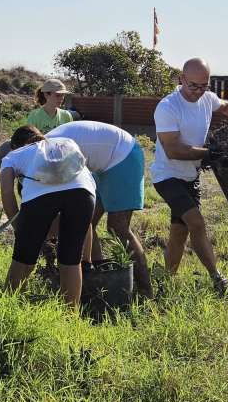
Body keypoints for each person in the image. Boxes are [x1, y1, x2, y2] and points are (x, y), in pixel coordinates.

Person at [152, 58, 228, 295]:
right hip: (168, 176)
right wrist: (216, 154)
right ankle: (218, 281)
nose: (198, 92)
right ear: (181, 79)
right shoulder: (168, 107)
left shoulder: (207, 98)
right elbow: (174, 150)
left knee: (180, 231)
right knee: (196, 223)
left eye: (204, 86)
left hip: (190, 176)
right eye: (193, 86)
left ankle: (165, 282)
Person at [43, 121, 152, 298]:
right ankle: (99, 281)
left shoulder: (52, 151)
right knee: (86, 223)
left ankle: (146, 292)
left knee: (118, 228)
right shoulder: (44, 148)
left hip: (122, 156)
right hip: (101, 165)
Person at [0, 126, 96, 307]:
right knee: (71, 259)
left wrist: (19, 227)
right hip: (84, 194)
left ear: (14, 145)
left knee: (23, 259)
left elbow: (6, 192)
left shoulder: (12, 155)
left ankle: (9, 307)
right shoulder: (65, 143)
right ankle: (70, 318)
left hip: (40, 198)